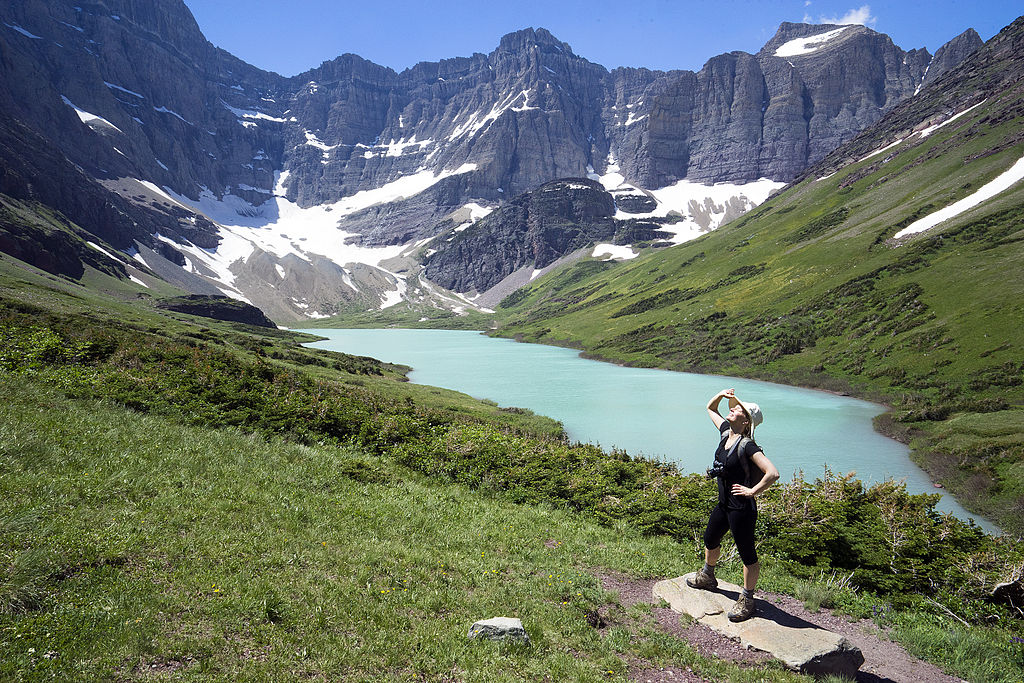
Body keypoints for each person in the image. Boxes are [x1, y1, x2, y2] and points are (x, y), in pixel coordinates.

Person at [686, 388, 779, 621]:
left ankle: (747, 599)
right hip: (724, 504)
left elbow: (773, 472)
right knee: (710, 538)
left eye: (738, 409)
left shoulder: (747, 445)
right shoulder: (726, 432)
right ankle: (708, 576)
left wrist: (752, 491)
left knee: (747, 554)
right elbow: (710, 408)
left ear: (746, 421)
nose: (733, 409)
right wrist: (720, 394)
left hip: (741, 509)